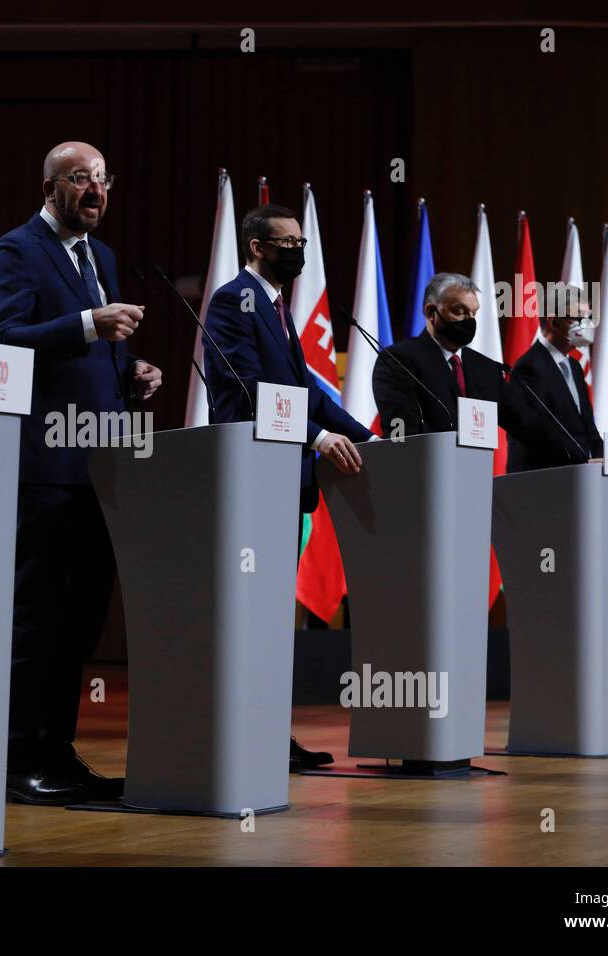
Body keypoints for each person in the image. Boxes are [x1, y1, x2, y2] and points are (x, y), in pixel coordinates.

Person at [0, 141, 163, 805]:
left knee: (81, 624)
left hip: (100, 469)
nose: (95, 190)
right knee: (39, 619)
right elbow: (2, 338)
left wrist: (132, 373)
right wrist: (90, 323)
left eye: (102, 180)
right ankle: (17, 759)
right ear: (51, 184)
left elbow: (97, 353)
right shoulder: (15, 250)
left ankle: (57, 754)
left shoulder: (102, 257)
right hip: (43, 467)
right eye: (80, 178)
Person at [202, 203, 372, 772]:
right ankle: (243, 733)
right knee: (250, 615)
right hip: (252, 477)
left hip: (285, 484)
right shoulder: (234, 301)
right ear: (257, 246)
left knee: (273, 617)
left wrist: (366, 437)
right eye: (288, 242)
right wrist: (318, 438)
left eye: (302, 242)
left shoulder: (276, 308)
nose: (298, 251)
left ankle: (271, 731)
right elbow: (247, 392)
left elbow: (310, 394)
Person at [372, 272, 573, 457]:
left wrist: (576, 455)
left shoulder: (486, 368)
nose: (469, 321)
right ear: (431, 312)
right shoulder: (399, 360)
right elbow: (402, 434)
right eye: (459, 311)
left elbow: (527, 423)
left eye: (473, 313)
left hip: (478, 478)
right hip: (424, 478)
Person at [507, 296, 603, 471]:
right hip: (546, 477)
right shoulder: (529, 366)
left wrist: (605, 458)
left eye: (588, 319)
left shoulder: (574, 367)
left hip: (579, 476)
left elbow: (587, 427)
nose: (584, 325)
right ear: (554, 321)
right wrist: (580, 461)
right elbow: (534, 431)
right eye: (577, 318)